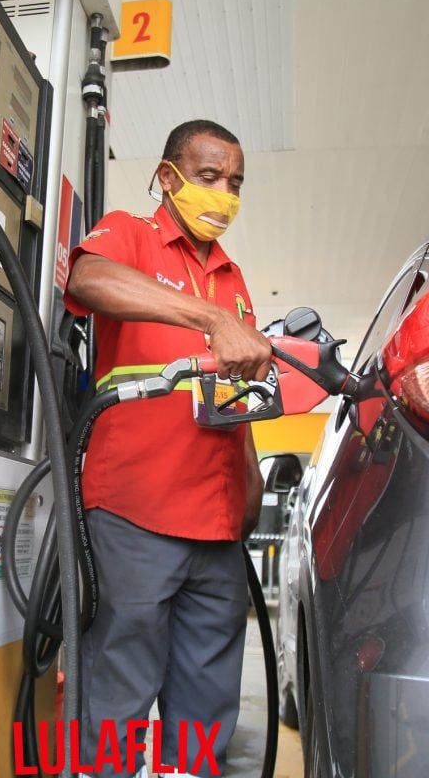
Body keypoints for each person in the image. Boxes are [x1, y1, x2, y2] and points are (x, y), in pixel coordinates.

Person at [64, 119, 272, 777]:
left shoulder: (234, 277)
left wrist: (251, 480)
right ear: (168, 176)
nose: (224, 194)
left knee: (205, 708)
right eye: (209, 177)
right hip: (136, 512)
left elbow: (238, 397)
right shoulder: (132, 234)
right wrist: (211, 318)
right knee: (118, 691)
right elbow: (88, 278)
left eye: (235, 183)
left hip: (217, 522)